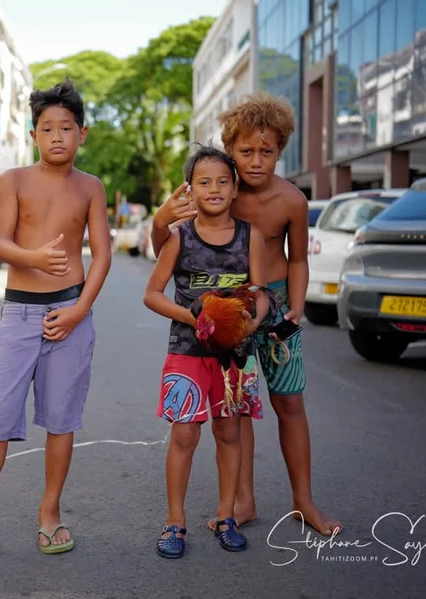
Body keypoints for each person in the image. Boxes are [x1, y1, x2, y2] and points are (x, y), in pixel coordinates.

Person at [0, 79, 112, 562]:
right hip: (19, 312)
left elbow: (103, 258)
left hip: (70, 313)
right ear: (34, 135)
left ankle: (49, 514)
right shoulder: (12, 181)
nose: (57, 136)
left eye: (66, 128)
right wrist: (33, 256)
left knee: (61, 420)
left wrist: (78, 311)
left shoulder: (91, 187)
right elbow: (1, 244)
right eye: (47, 128)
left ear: (82, 134)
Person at [149, 91, 343, 537]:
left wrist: (296, 305)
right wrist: (160, 219)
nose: (256, 161)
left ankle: (303, 501)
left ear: (281, 150)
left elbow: (296, 258)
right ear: (231, 151)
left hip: (274, 307)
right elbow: (171, 248)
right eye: (246, 151)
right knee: (235, 406)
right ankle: (244, 500)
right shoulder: (219, 192)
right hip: (227, 308)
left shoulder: (292, 201)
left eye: (267, 151)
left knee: (289, 401)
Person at [144, 145, 268, 557]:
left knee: (229, 432)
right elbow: (151, 294)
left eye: (222, 181)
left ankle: (226, 514)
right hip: (187, 351)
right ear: (190, 190)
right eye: (203, 182)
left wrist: (251, 322)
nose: (213, 189)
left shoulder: (250, 236)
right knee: (184, 434)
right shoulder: (180, 237)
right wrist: (191, 317)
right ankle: (174, 522)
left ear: (235, 189)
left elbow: (260, 291)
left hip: (234, 356)